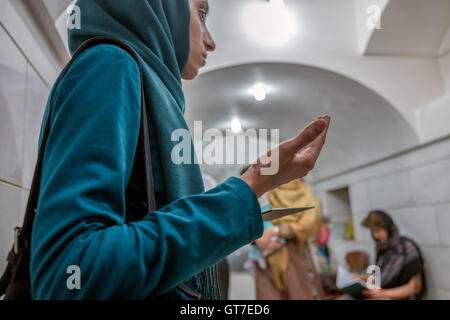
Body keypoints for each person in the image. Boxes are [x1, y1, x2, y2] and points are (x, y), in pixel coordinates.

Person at [29, 0, 330, 299]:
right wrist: (252, 185)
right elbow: (69, 272)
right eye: (201, 13)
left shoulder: (140, 81)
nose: (210, 42)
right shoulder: (109, 64)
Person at [254, 179, 322, 300]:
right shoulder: (269, 191)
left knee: (297, 292)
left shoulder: (304, 193)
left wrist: (275, 231)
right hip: (267, 256)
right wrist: (256, 238)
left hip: (294, 254)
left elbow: (308, 224)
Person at [354, 210, 426, 300]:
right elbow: (381, 276)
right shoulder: (383, 249)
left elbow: (415, 287)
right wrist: (360, 278)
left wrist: (384, 294)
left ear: (388, 228)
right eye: (373, 232)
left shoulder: (407, 248)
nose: (375, 235)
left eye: (378, 231)